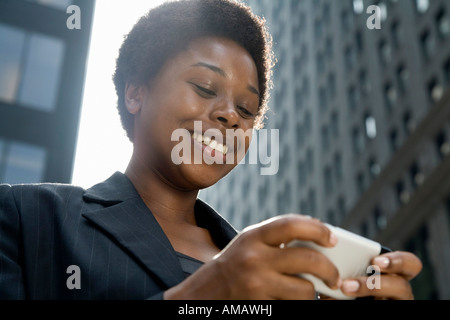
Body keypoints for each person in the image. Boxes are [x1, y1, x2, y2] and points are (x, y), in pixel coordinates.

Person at [0, 0, 421, 300]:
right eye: (205, 87)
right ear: (135, 92)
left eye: (247, 109)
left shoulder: (279, 271)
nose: (229, 116)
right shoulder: (25, 218)